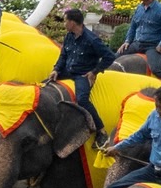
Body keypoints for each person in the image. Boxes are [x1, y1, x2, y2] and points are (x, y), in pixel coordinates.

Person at [50, 8, 120, 146]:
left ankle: (101, 131)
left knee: (82, 99)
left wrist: (94, 72)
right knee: (46, 84)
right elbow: (63, 56)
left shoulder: (92, 39)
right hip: (68, 71)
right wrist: (56, 70)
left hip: (82, 74)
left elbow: (109, 56)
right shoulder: (69, 36)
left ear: (72, 22)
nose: (64, 24)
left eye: (65, 21)